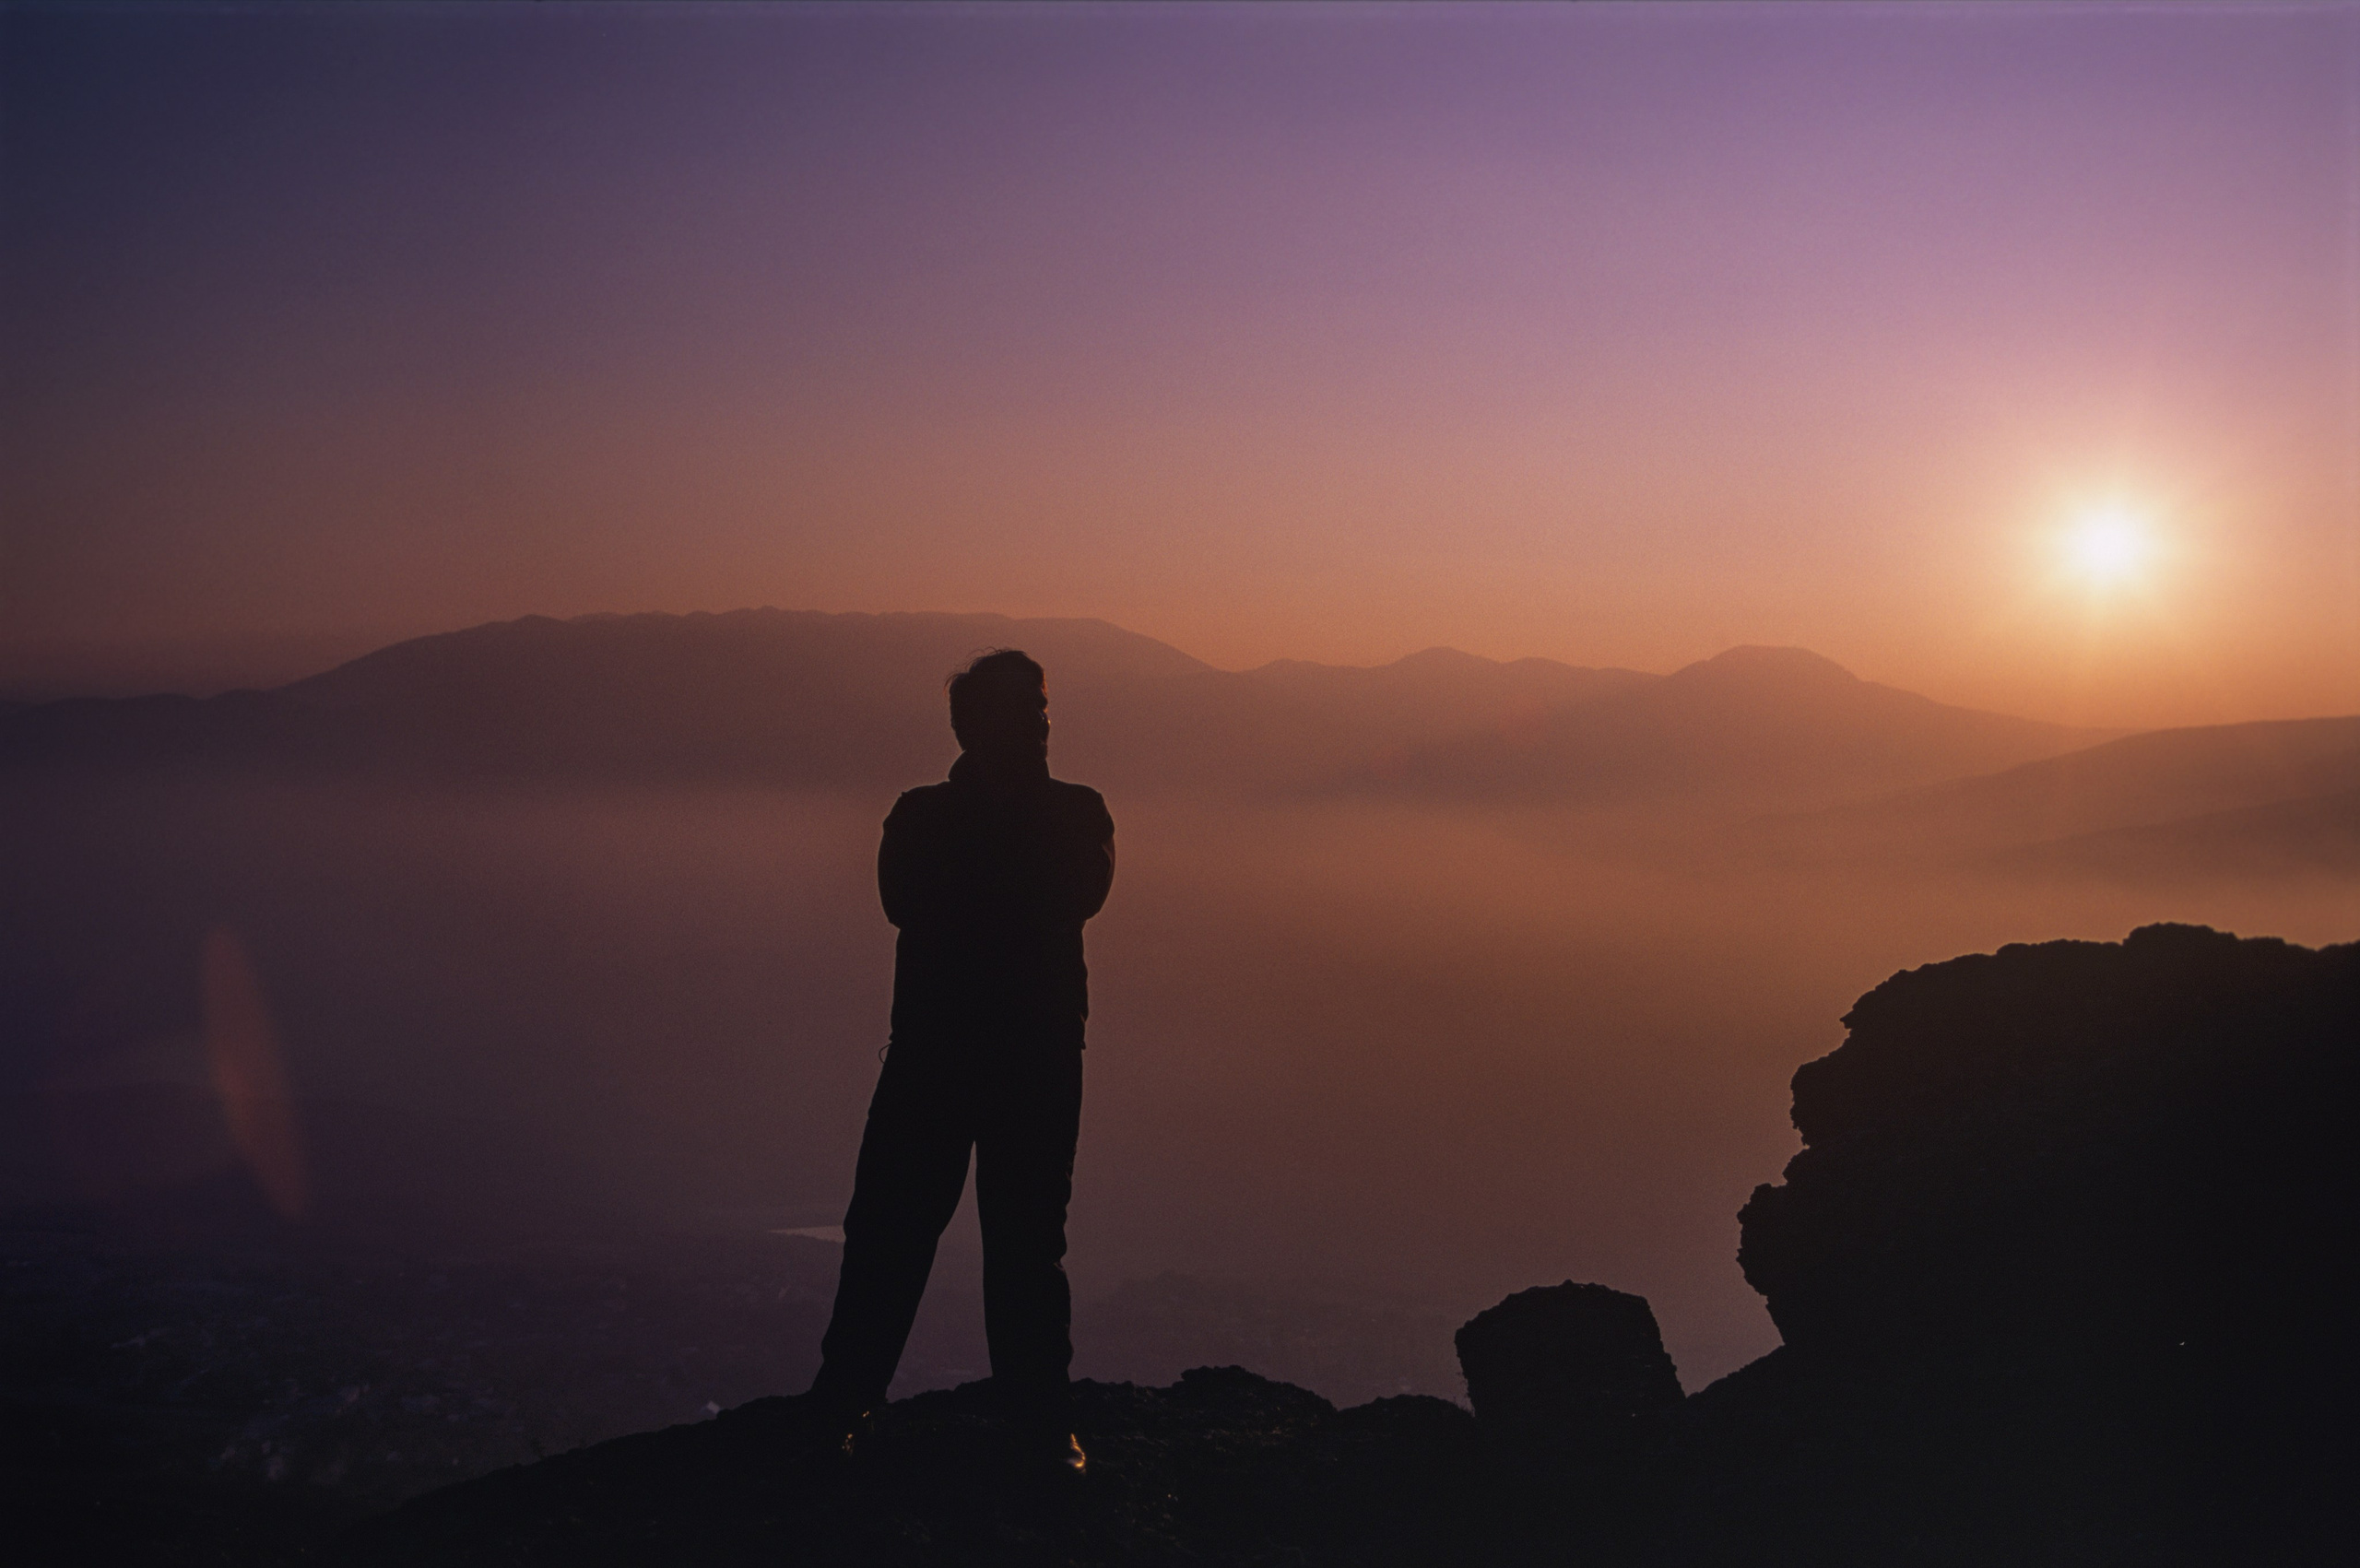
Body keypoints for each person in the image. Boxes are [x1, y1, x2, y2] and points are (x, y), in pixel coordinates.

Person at [804, 649, 1115, 1473]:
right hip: (984, 1059)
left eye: (1043, 710)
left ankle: (1024, 1423)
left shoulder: (1044, 816)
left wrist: (976, 890)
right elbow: (915, 899)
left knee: (1010, 1244)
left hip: (986, 1060)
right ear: (973, 726)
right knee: (898, 1236)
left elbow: (1065, 893)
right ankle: (867, 1408)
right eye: (1025, 711)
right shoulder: (937, 817)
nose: (1044, 726)